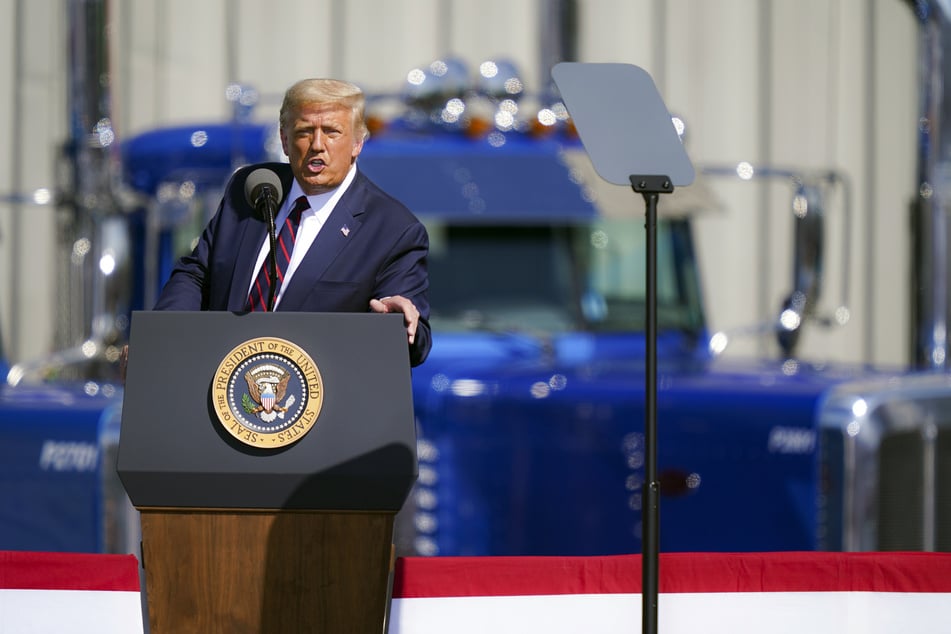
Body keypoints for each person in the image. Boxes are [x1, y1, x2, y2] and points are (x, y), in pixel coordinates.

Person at [152, 78, 431, 367]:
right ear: (285, 140)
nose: (317, 145)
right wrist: (161, 336)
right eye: (304, 132)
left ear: (358, 142)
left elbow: (415, 340)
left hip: (315, 401)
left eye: (332, 132)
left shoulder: (393, 229)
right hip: (221, 384)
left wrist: (396, 323)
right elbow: (197, 273)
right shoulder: (251, 188)